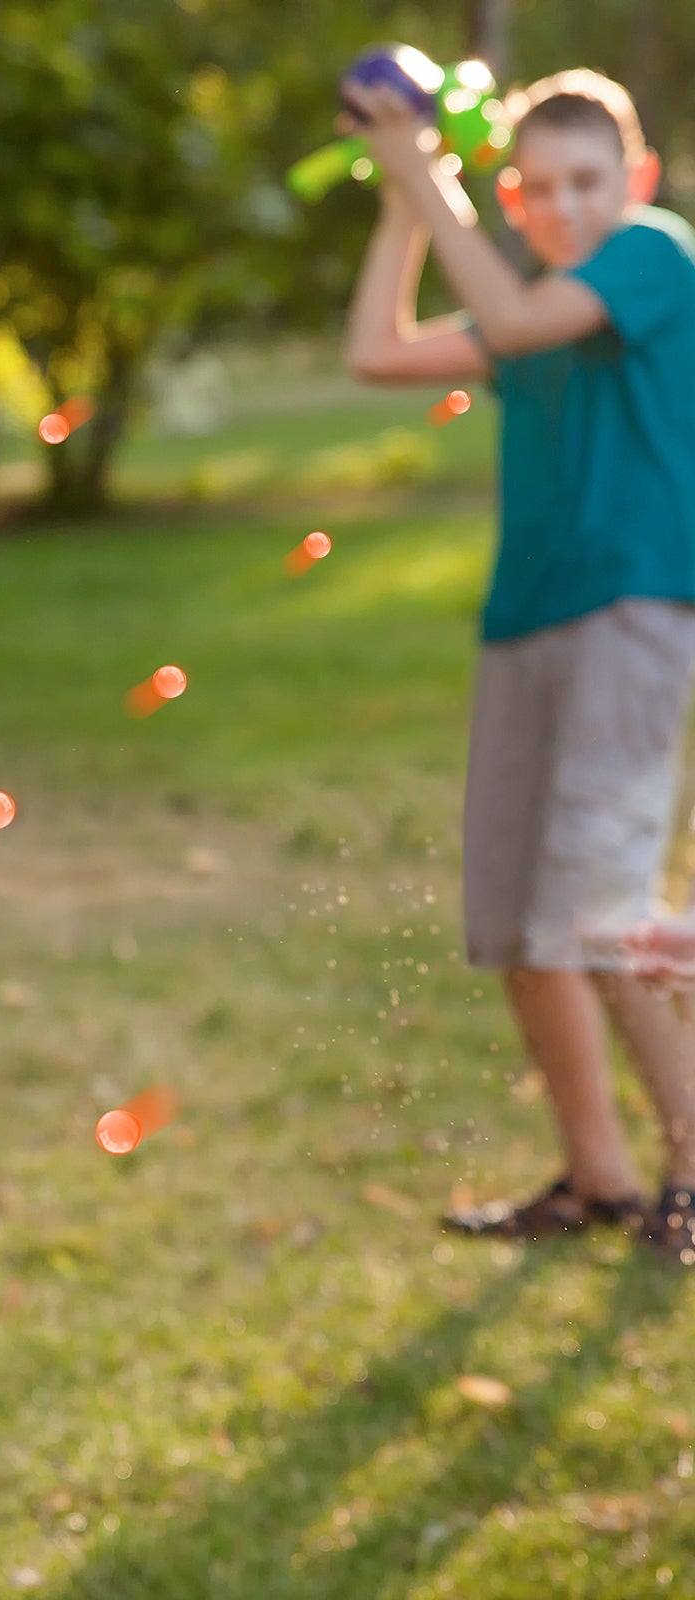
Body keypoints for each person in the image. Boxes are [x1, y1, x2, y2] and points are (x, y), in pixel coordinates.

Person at [342, 69, 695, 1258]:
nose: (564, 206)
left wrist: (423, 176)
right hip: (524, 623)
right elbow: (374, 350)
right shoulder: (524, 311)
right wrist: (403, 197)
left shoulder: (651, 257)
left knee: (597, 913)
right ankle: (597, 1181)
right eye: (536, 189)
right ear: (512, 200)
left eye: (586, 180)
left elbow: (521, 320)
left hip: (630, 616)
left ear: (635, 178)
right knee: (513, 921)